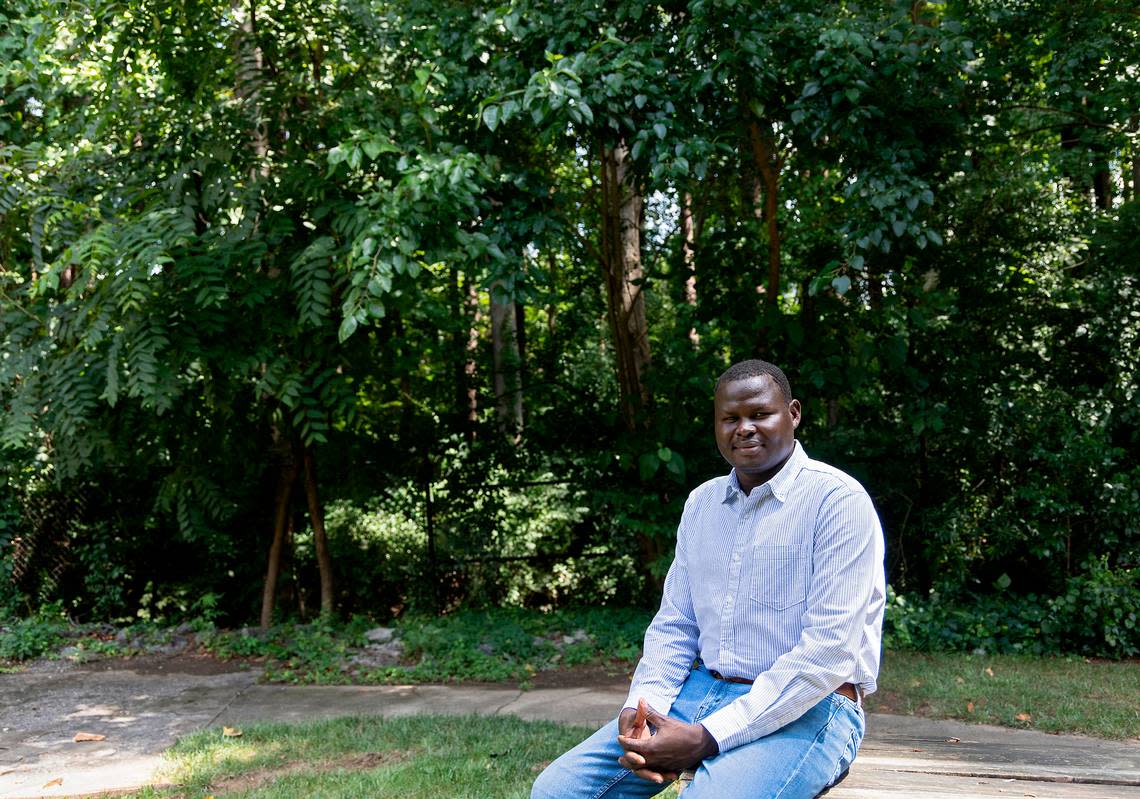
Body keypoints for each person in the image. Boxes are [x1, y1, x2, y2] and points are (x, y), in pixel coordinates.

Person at [532, 359, 885, 799]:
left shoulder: (837, 501)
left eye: (760, 414)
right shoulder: (702, 504)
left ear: (793, 413)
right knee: (558, 791)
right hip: (701, 691)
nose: (745, 429)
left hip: (813, 707)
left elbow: (828, 655)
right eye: (731, 418)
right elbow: (675, 625)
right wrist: (643, 706)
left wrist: (706, 738)